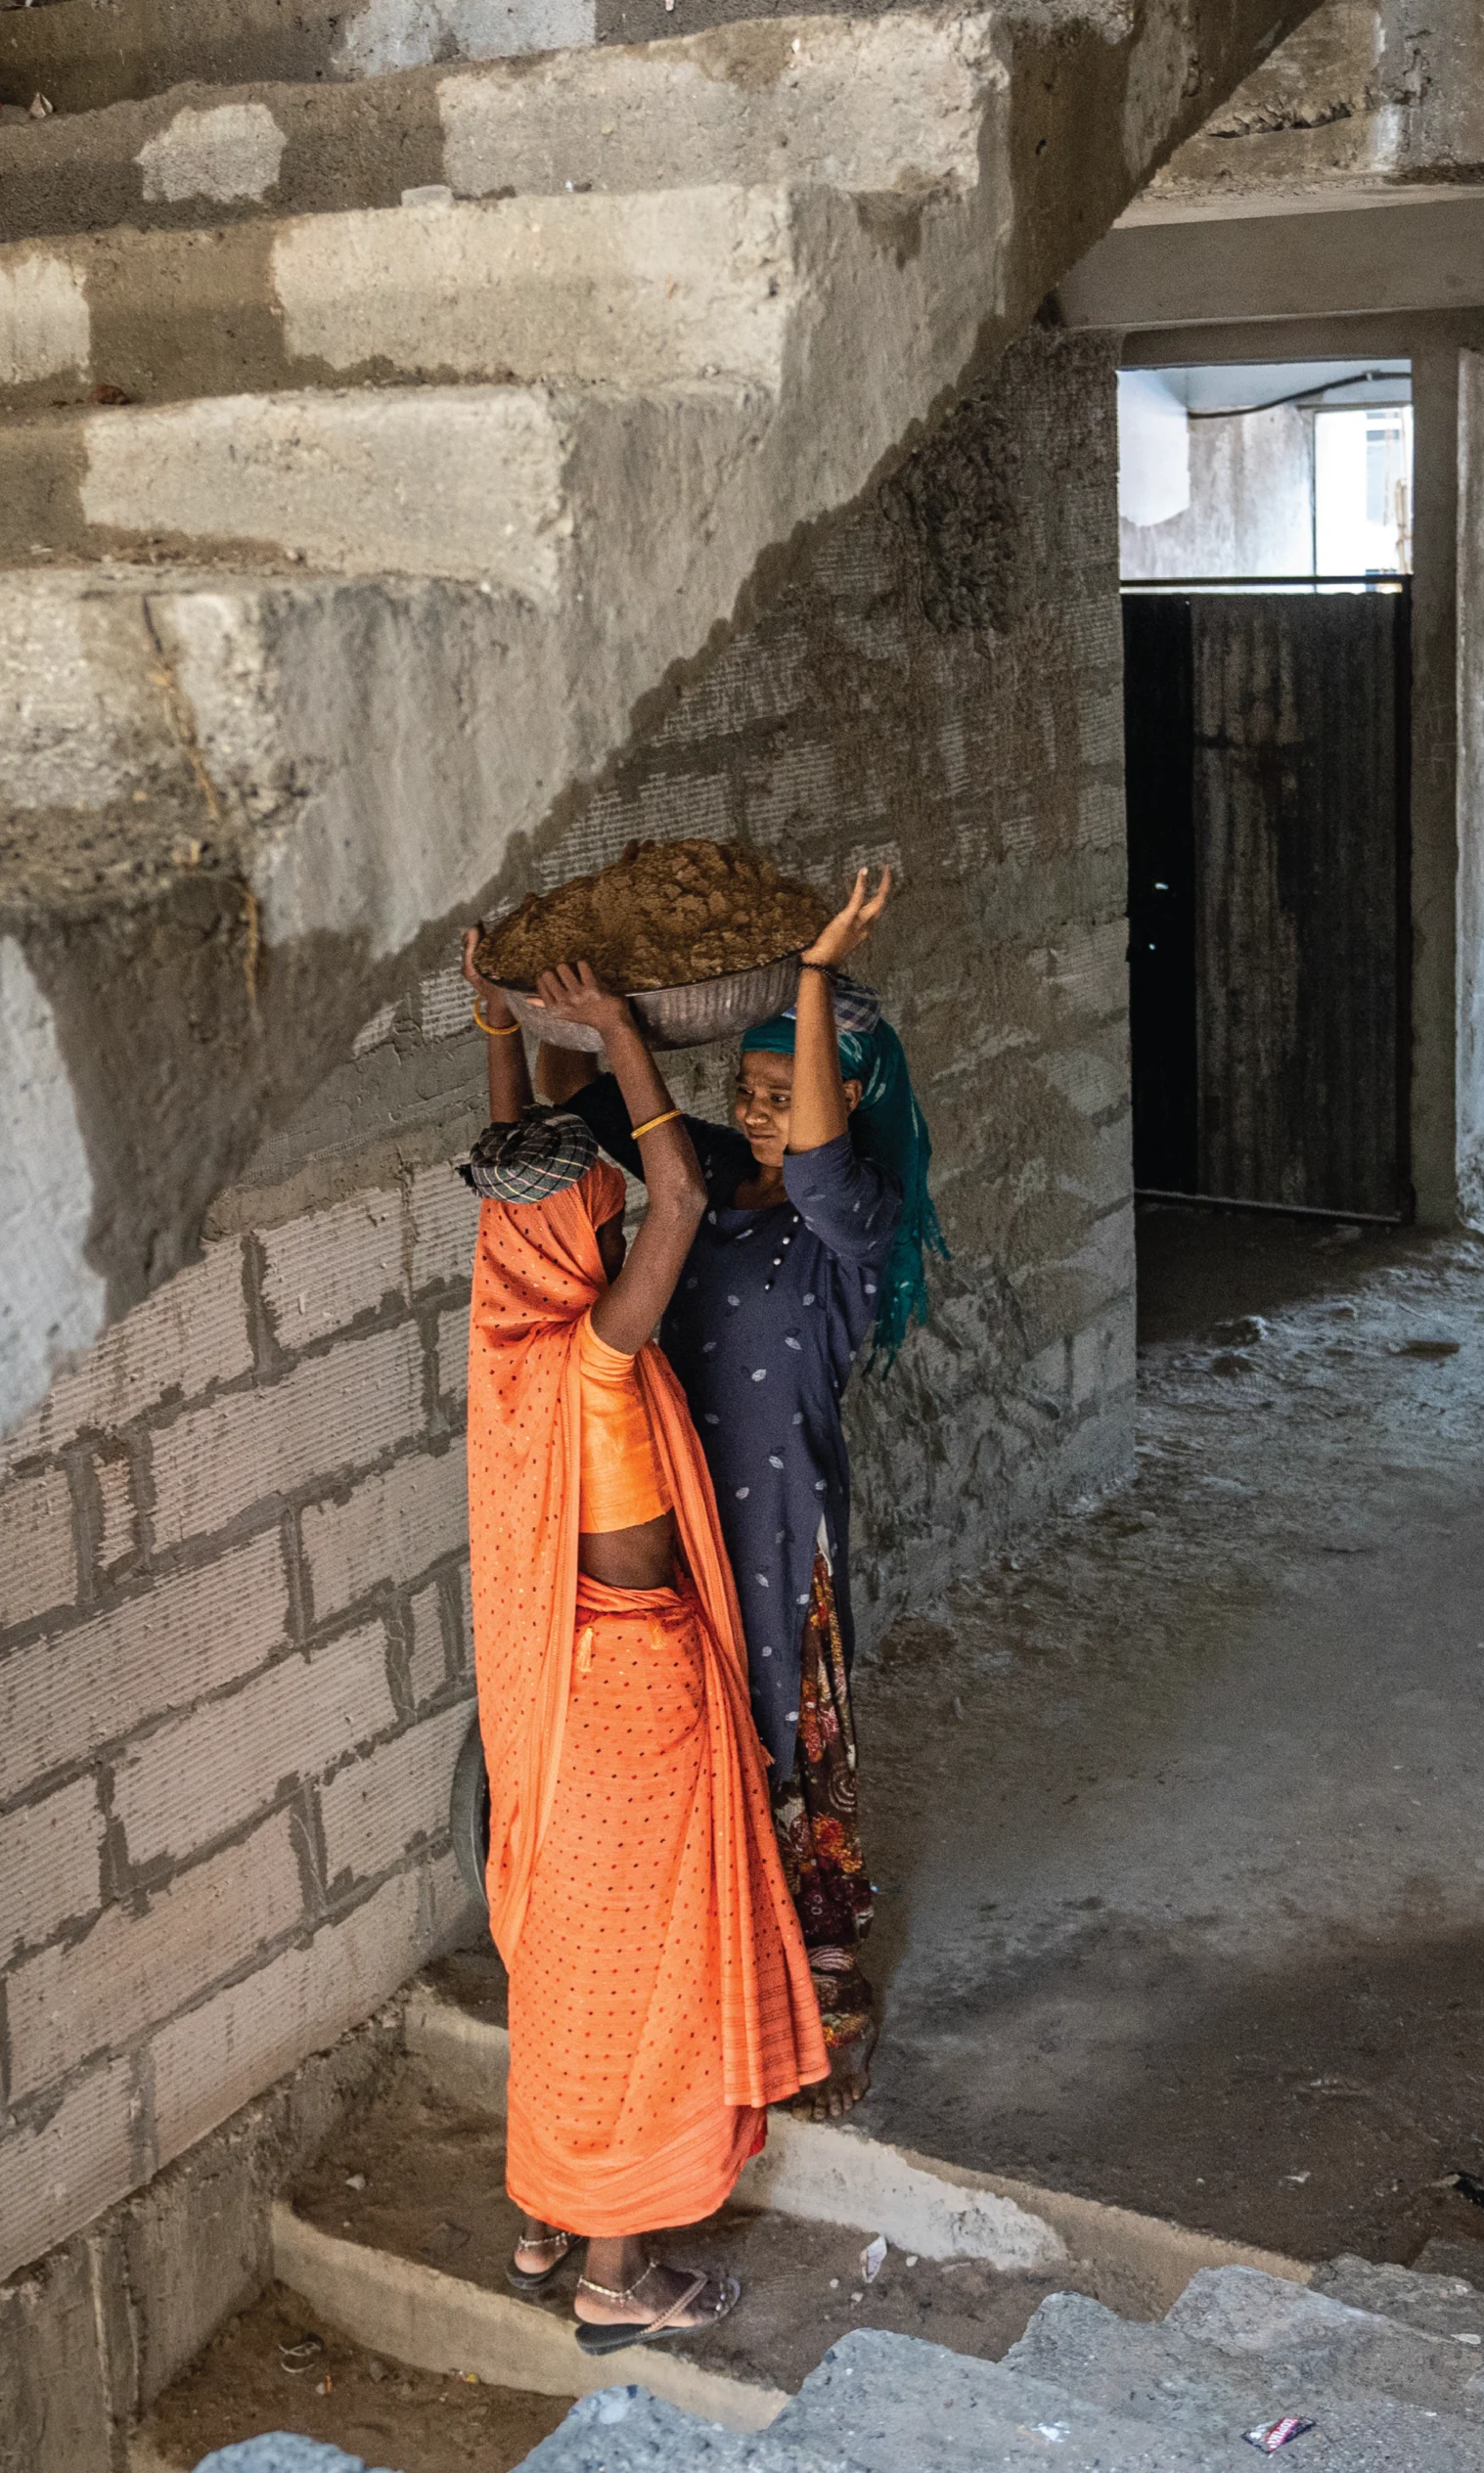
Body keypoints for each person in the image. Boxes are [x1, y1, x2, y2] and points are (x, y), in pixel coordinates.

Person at [460, 934, 827, 2353]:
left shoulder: (511, 1336)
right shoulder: (597, 1353)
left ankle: (545, 2217)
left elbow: (520, 1160)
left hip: (565, 1705)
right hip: (635, 1700)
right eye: (599, 1221)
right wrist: (617, 1032)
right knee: (640, 1972)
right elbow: (678, 1190)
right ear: (580, 1243)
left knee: (567, 1958)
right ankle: (618, 2274)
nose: (618, 1228)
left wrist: (503, 1033)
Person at [548, 868, 948, 2119]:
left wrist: (813, 977)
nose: (759, 1109)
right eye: (748, 1087)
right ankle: (720, 1947)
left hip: (774, 1520)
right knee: (699, 1723)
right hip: (681, 1504)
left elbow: (818, 1168)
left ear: (847, 1094)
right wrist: (545, 1010)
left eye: (786, 1091)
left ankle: (820, 1975)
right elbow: (590, 1112)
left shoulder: (853, 1220)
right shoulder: (714, 1178)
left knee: (778, 1722)